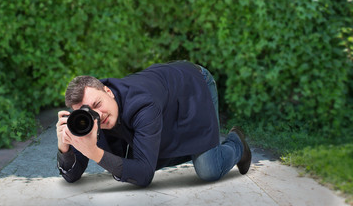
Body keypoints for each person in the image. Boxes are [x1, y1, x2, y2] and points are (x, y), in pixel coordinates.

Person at [56, 61, 251, 187]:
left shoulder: (143, 104)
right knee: (135, 159)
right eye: (87, 112)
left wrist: (95, 153)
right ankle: (190, 147)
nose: (97, 115)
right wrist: (64, 148)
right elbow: (72, 175)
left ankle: (237, 143)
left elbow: (143, 175)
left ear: (108, 91)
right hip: (163, 96)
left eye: (98, 104)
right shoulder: (89, 119)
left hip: (191, 86)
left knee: (210, 169)